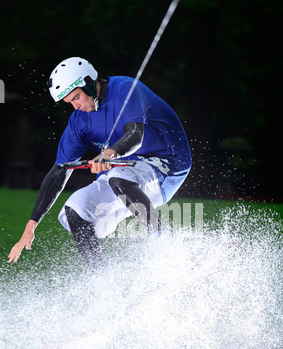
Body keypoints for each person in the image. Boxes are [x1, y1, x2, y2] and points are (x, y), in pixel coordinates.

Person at [8, 57, 192, 272]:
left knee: (118, 178)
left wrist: (109, 154)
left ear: (88, 82)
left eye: (77, 97)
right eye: (70, 102)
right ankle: (99, 279)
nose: (75, 106)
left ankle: (162, 243)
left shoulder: (126, 89)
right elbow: (59, 172)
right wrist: (32, 223)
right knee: (75, 208)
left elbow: (135, 135)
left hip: (168, 163)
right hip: (126, 171)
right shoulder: (79, 121)